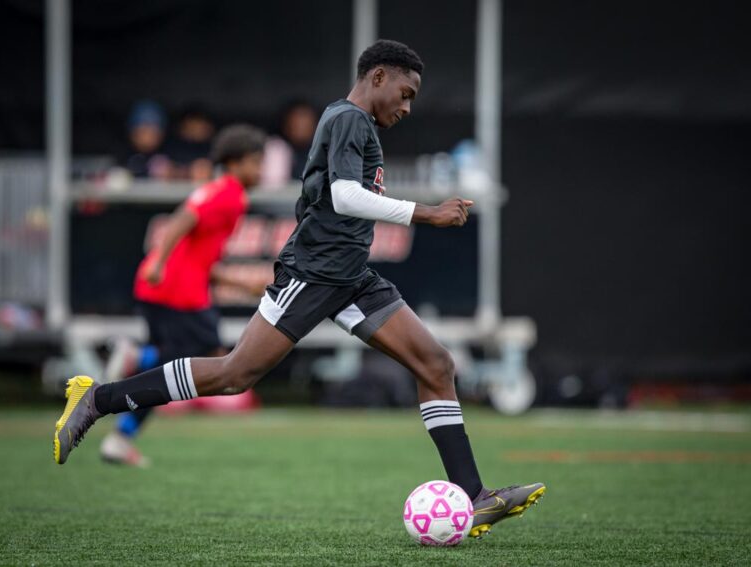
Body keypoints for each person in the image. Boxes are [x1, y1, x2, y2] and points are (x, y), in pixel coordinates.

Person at [53, 40, 545, 539]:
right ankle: (98, 399)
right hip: (314, 273)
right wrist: (426, 211)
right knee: (232, 374)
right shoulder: (349, 119)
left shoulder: (356, 123)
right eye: (405, 92)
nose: (407, 106)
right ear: (378, 77)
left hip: (352, 277)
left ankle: (474, 495)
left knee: (436, 364)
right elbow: (345, 196)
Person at [100, 123, 268, 466]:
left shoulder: (221, 191)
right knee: (204, 362)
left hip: (168, 289)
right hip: (177, 294)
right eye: (256, 162)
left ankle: (121, 436)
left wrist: (240, 285)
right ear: (235, 163)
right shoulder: (229, 195)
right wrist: (160, 261)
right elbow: (182, 219)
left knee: (173, 370)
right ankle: (136, 360)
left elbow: (201, 258)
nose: (261, 170)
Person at [124, 100, 171, 179]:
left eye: (154, 132)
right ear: (132, 133)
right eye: (144, 131)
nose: (148, 137)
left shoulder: (170, 153)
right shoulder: (121, 155)